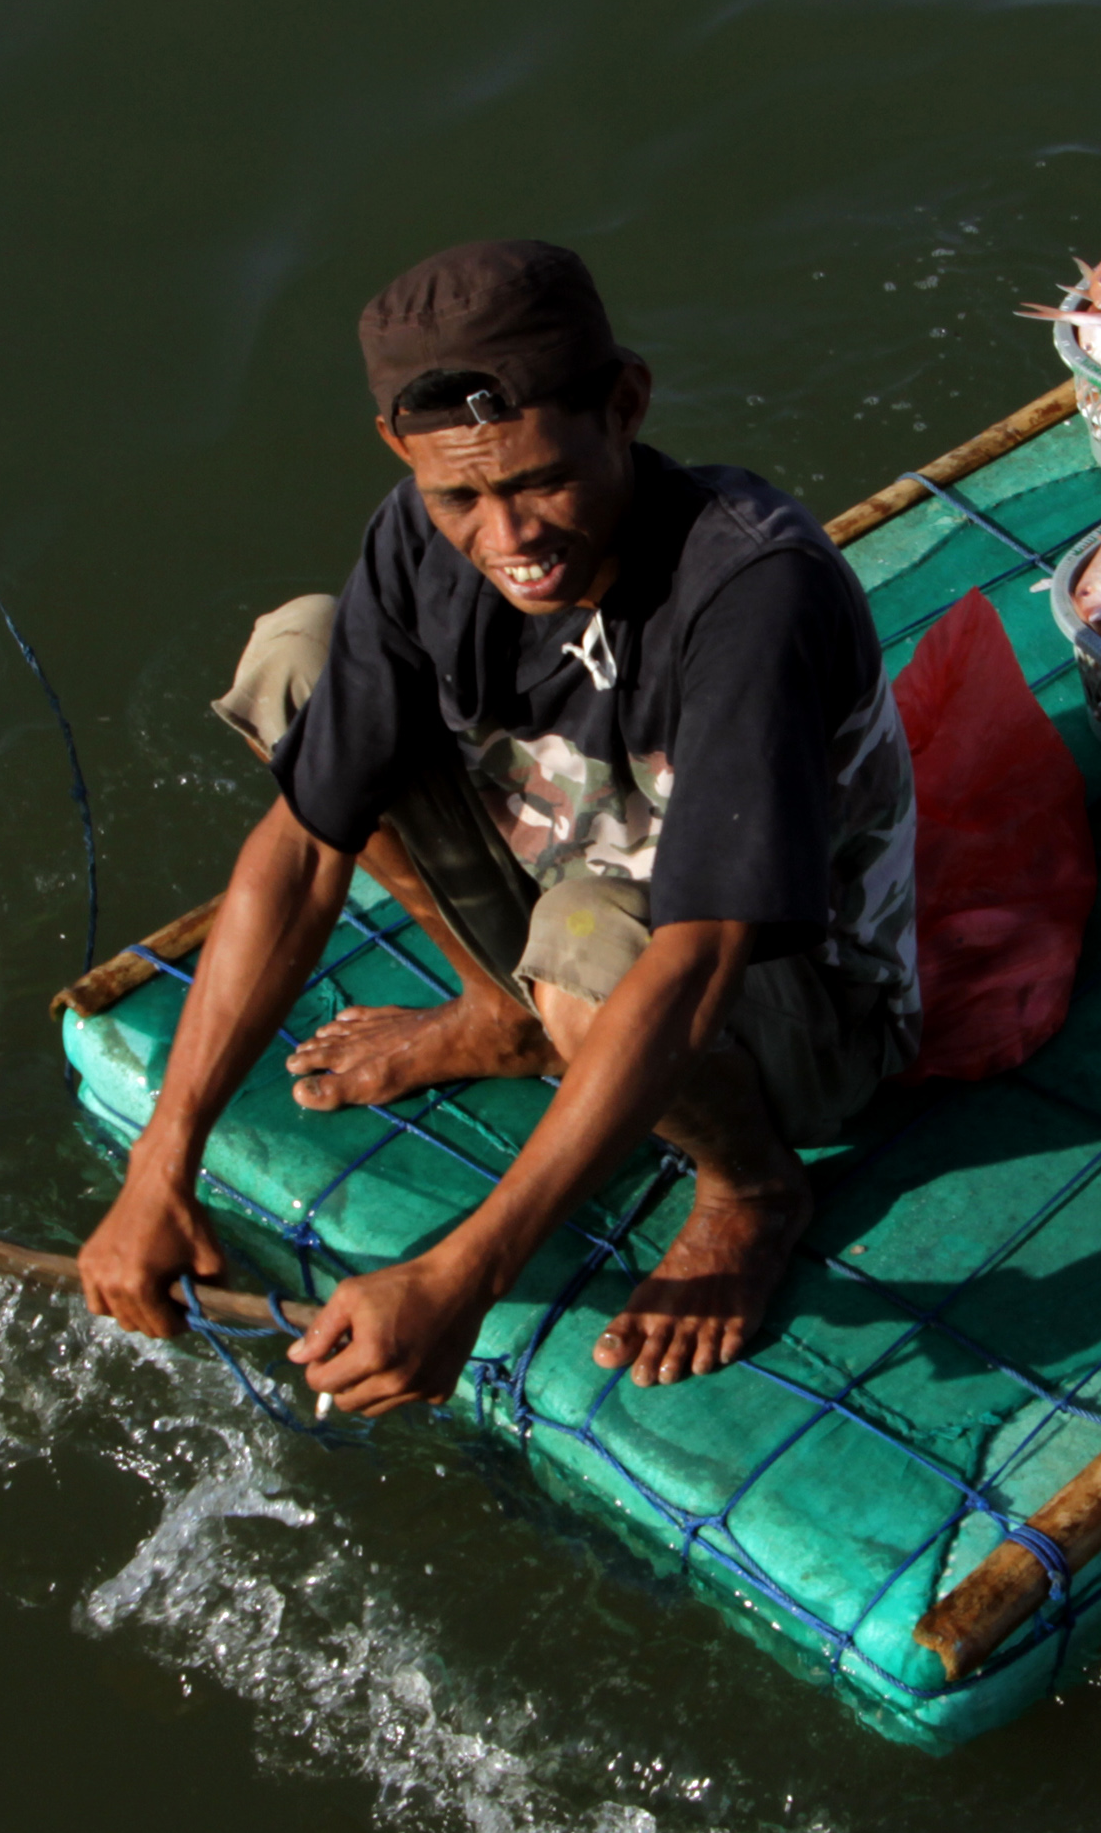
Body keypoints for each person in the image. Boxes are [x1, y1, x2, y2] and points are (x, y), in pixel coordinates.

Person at [77, 239, 919, 1417]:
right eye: (461, 494)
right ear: (402, 457)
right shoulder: (420, 538)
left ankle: (749, 1186)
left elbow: (701, 955)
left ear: (625, 405)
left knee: (586, 932)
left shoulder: (750, 589)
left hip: (797, 1004)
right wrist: (160, 1160)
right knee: (298, 661)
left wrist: (464, 1271)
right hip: (583, 883)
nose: (509, 535)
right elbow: (310, 839)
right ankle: (503, 1008)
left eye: (542, 479)